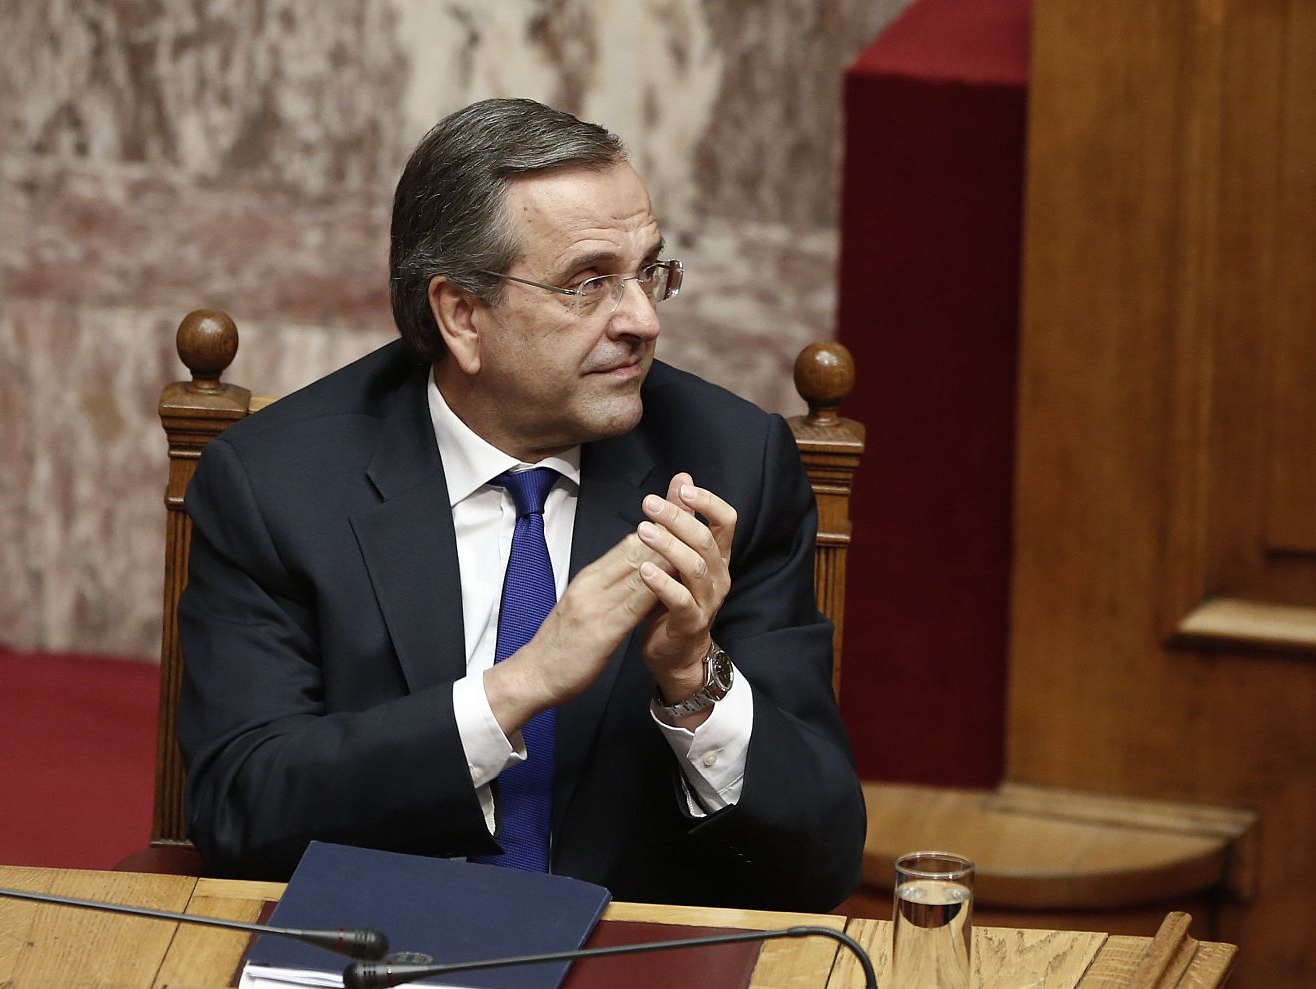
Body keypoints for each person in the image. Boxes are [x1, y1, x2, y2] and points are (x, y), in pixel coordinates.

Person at [176, 98, 865, 911]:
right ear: (462, 315)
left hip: (632, 981)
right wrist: (520, 685)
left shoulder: (726, 466)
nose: (642, 320)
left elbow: (821, 859)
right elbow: (240, 809)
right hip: (375, 955)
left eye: (649, 272)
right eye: (589, 283)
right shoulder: (278, 485)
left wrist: (692, 678)